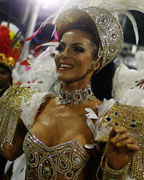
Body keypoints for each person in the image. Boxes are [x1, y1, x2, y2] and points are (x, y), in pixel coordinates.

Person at [0, 3, 143, 180]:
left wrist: (114, 168)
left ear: (96, 63)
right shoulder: (35, 106)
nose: (64, 54)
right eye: (61, 47)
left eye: (77, 49)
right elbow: (9, 155)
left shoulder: (108, 120)